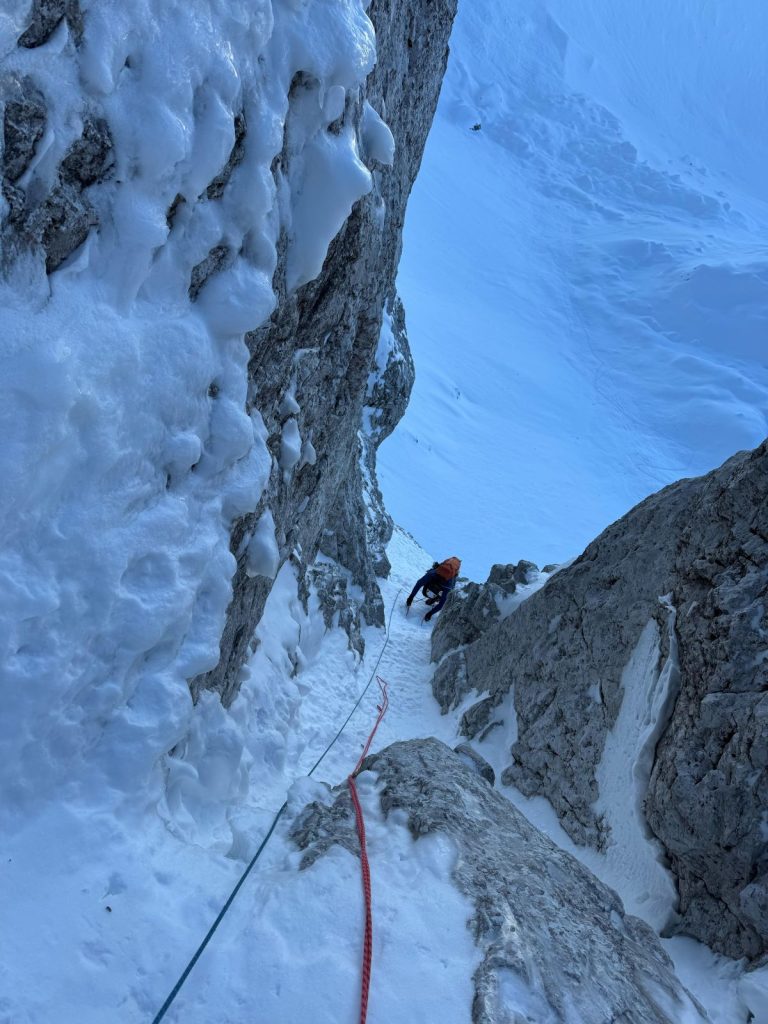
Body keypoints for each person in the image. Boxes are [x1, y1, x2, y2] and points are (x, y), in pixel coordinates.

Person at [406, 557, 462, 621]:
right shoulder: (448, 584)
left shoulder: (433, 574)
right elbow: (442, 604)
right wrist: (430, 614)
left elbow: (419, 583)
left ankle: (433, 599)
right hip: (445, 583)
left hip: (440, 579)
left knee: (440, 593)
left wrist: (411, 597)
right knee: (443, 596)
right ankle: (434, 599)